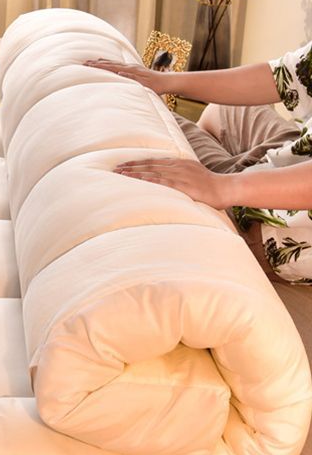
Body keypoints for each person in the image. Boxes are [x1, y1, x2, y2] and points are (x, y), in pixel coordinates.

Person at [84, 41, 312, 284]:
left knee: (145, 118)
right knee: (220, 111)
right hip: (296, 150)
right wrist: (166, 82)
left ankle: (216, 169)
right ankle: (220, 162)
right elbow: (284, 75)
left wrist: (220, 187)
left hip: (274, 224)